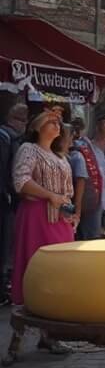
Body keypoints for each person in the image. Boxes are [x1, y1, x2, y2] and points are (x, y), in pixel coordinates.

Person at [10, 109, 75, 349]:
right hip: (36, 216)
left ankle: (50, 335)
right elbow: (21, 181)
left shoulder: (61, 157)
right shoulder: (29, 150)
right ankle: (16, 339)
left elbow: (67, 192)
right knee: (32, 271)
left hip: (60, 221)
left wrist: (71, 212)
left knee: (57, 276)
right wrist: (50, 195)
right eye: (50, 121)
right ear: (37, 126)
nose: (56, 125)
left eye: (58, 122)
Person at [0, 102, 28, 300]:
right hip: (6, 199)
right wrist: (8, 193)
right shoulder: (7, 138)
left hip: (7, 197)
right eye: (23, 121)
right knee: (5, 241)